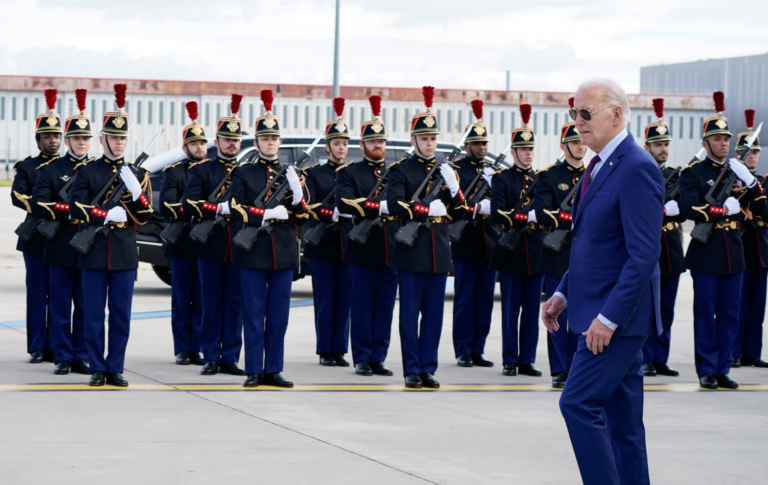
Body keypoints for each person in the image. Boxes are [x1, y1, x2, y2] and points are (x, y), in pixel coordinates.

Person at [541, 78, 663, 485]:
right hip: (599, 312)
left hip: (615, 322)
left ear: (615, 113)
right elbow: (596, 248)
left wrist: (608, 319)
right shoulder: (599, 165)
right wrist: (563, 293)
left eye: (585, 113)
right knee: (624, 425)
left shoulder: (636, 167)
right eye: (574, 113)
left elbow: (642, 255)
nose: (578, 121)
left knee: (577, 404)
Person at [679, 92, 766, 390]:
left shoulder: (739, 172)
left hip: (734, 252)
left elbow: (763, 208)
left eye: (726, 138)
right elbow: (689, 207)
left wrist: (752, 183)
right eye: (716, 139)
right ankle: (706, 368)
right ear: (705, 143)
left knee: (730, 313)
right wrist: (721, 209)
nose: (723, 143)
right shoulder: (692, 173)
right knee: (705, 313)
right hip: (706, 251)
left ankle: (723, 367)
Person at [70, 83, 154, 387]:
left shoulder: (139, 175)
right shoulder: (88, 172)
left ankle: (115, 366)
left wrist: (134, 193)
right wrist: (104, 215)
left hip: (123, 250)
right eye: (114, 138)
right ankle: (97, 367)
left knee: (120, 314)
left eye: (123, 139)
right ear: (102, 139)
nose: (119, 144)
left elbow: (144, 216)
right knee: (93, 314)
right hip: (93, 249)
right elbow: (74, 209)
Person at [228, 89, 309, 388]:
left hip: (284, 251)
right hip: (253, 251)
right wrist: (264, 214)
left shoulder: (291, 174)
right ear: (257, 142)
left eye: (274, 138)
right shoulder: (244, 173)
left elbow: (302, 215)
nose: (270, 142)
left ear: (280, 141)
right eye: (265, 138)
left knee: (278, 316)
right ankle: (253, 370)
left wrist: (297, 195)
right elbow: (235, 208)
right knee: (253, 313)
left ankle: (273, 368)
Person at [387, 86, 466, 389]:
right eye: (425, 139)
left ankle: (428, 368)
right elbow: (394, 203)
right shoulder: (401, 170)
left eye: (433, 138)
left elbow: (459, 210)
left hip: (438, 249)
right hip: (411, 249)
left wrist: (454, 188)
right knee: (409, 314)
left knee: (433, 315)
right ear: (414, 140)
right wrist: (422, 209)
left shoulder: (446, 170)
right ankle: (411, 369)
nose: (430, 144)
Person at [182, 94, 245, 377]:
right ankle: (210, 356)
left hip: (241, 245)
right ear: (216, 141)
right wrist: (217, 208)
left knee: (235, 304)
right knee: (210, 303)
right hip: (210, 244)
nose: (232, 143)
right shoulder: (203, 170)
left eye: (236, 139)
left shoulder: (247, 171)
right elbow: (189, 203)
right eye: (226, 139)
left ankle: (230, 356)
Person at [31, 89, 92, 376]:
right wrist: (68, 210)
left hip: (89, 246)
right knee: (59, 304)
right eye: (77, 138)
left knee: (84, 305)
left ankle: (81, 355)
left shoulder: (97, 170)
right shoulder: (51, 169)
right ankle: (62, 355)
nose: (81, 143)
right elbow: (39, 204)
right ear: (67, 140)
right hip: (60, 244)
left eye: (86, 139)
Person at [336, 95, 398, 377]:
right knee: (361, 305)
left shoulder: (396, 173)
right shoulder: (349, 173)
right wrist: (378, 207)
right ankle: (361, 356)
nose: (378, 146)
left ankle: (378, 356)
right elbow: (344, 203)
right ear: (362, 146)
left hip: (392, 247)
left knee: (384, 307)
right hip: (362, 247)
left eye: (382, 142)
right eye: (373, 142)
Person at [533, 97, 584, 388]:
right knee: (555, 313)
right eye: (574, 142)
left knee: (581, 314)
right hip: (558, 252)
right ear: (563, 146)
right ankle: (559, 370)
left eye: (581, 141)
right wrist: (571, 219)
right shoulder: (549, 176)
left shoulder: (594, 172)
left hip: (584, 255)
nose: (580, 146)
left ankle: (578, 368)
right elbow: (542, 212)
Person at [490, 104, 544, 378]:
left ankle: (527, 360)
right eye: (523, 149)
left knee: (532, 311)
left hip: (535, 253)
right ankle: (510, 359)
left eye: (531, 149)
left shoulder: (541, 178)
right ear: (513, 152)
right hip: (511, 251)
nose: (528, 153)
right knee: (510, 310)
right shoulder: (502, 179)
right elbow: (497, 212)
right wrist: (524, 217)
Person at [305, 97, 352, 368]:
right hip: (322, 243)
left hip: (347, 243)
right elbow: (309, 203)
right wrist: (329, 213)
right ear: (327, 147)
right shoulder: (316, 174)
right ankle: (325, 349)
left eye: (345, 144)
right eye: (337, 143)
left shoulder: (353, 173)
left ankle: (340, 349)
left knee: (344, 300)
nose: (342, 148)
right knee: (325, 299)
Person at [12, 89, 58, 364]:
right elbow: (18, 196)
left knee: (61, 294)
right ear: (38, 139)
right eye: (47, 136)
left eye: (56, 136)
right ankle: (37, 345)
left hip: (61, 237)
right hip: (36, 238)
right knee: (38, 292)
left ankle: (57, 342)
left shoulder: (73, 166)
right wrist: (47, 207)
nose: (52, 141)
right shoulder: (28, 167)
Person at [450, 100, 497, 369]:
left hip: (489, 243)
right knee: (466, 298)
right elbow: (454, 207)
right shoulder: (457, 170)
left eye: (484, 144)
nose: (482, 148)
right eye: (477, 144)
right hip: (466, 242)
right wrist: (476, 207)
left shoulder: (492, 171)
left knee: (485, 301)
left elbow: (502, 202)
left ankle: (478, 348)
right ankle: (463, 349)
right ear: (467, 145)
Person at [159, 102, 206, 366]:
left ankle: (196, 347)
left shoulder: (211, 171)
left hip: (204, 243)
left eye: (202, 143)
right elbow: (167, 204)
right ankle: (181, 348)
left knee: (200, 299)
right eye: (194, 144)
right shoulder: (174, 173)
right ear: (185, 147)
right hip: (180, 242)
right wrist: (194, 209)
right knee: (181, 300)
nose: (199, 148)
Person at [641, 98, 684, 377]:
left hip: (670, 248)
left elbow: (686, 205)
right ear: (647, 148)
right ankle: (644, 356)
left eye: (666, 144)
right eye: (658, 145)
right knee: (645, 309)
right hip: (647, 249)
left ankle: (660, 357)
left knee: (666, 308)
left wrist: (675, 211)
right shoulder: (640, 173)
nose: (663, 149)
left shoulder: (677, 175)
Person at [732, 109, 768, 368]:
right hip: (738, 248)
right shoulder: (730, 181)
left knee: (757, 306)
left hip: (761, 250)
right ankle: (733, 352)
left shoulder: (764, 182)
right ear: (738, 156)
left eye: (755, 152)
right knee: (735, 304)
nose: (752, 156)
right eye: (748, 153)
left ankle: (752, 353)